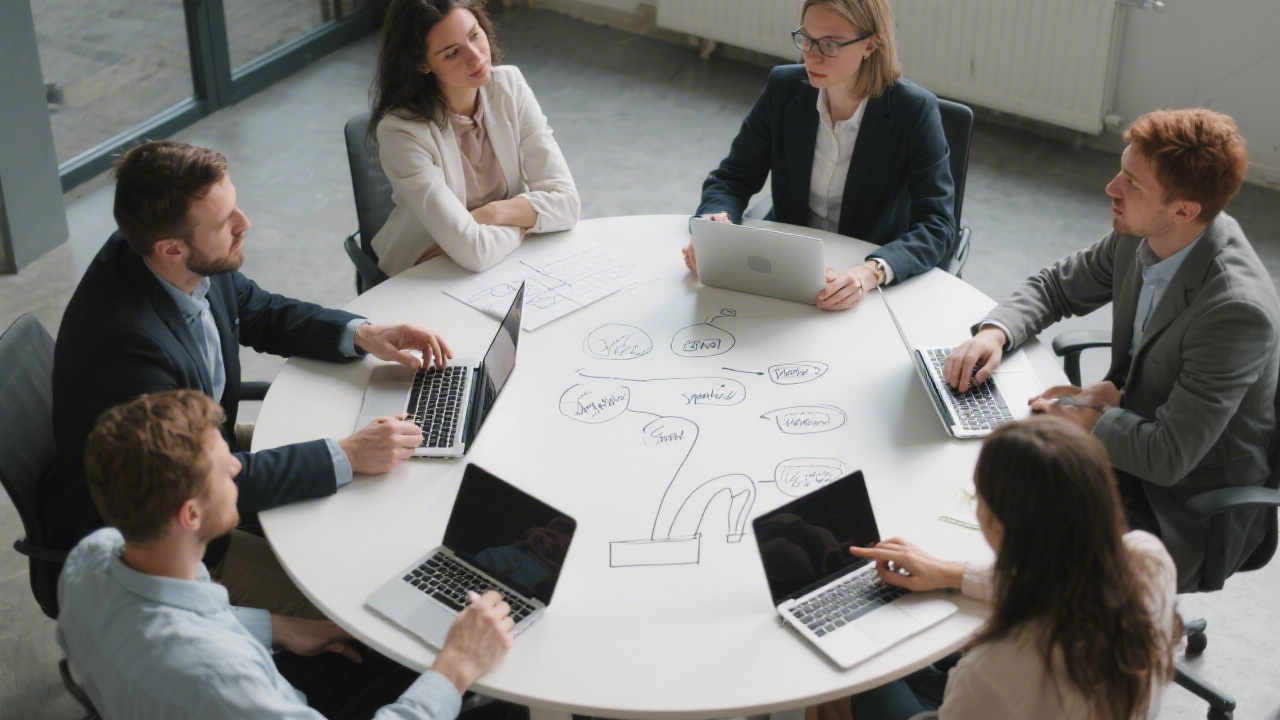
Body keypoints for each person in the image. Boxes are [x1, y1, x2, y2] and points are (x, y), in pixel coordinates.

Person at [48, 140, 451, 616]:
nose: (245, 225)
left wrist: (365, 334)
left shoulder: (173, 259)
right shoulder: (123, 345)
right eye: (225, 222)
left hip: (209, 450)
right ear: (172, 248)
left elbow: (257, 311)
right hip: (166, 533)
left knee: (386, 472)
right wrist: (345, 455)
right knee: (352, 606)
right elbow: (184, 487)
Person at [944, 108, 1280, 591]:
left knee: (1026, 533)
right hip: (1130, 442)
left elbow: (1170, 456)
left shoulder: (1234, 310)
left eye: (1132, 183)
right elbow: (1055, 287)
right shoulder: (1146, 235)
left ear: (1184, 209)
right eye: (1121, 169)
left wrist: (1092, 419)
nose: (1111, 189)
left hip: (1181, 504)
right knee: (988, 483)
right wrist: (995, 332)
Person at [58, 390, 516, 720]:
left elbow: (163, 616)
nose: (239, 466)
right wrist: (457, 667)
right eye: (224, 469)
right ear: (191, 515)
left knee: (387, 647)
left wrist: (282, 627)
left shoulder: (90, 558)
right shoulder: (221, 679)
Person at [844, 416, 1180, 719]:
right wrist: (948, 572)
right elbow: (1058, 576)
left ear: (999, 527)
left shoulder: (1000, 667)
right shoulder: (1150, 559)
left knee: (851, 679)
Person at [688, 0, 954, 311]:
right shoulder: (784, 88)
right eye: (807, 38)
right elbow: (732, 178)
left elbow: (937, 225)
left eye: (830, 44)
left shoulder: (914, 111)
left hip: (864, 275)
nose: (811, 55)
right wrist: (713, 223)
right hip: (788, 267)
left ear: (870, 45)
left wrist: (870, 272)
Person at [369, 0, 581, 276]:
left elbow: (567, 204)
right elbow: (475, 252)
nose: (475, 56)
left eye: (474, 34)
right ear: (423, 64)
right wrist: (527, 222)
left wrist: (489, 215)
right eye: (452, 52)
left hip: (503, 261)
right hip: (430, 267)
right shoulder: (401, 131)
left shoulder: (509, 86)